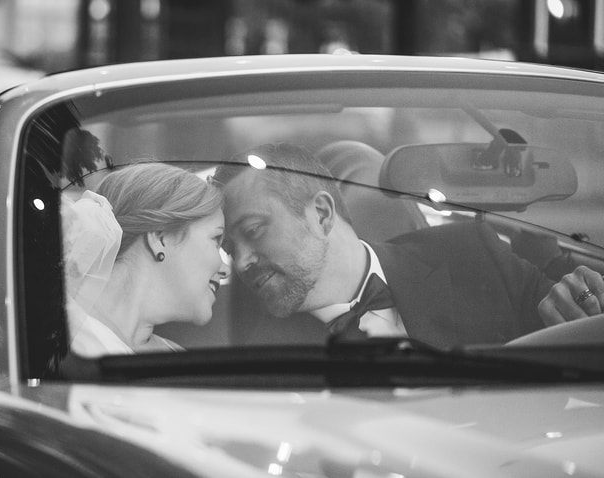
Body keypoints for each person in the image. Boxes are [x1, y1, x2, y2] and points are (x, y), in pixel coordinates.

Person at [212, 142, 604, 348]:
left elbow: (569, 326)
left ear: (321, 214)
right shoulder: (262, 356)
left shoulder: (470, 255)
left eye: (255, 230)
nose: (241, 261)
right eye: (229, 247)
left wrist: (582, 299)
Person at [62, 162, 230, 356]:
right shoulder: (64, 345)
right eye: (216, 240)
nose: (225, 269)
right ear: (160, 238)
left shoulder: (176, 357)